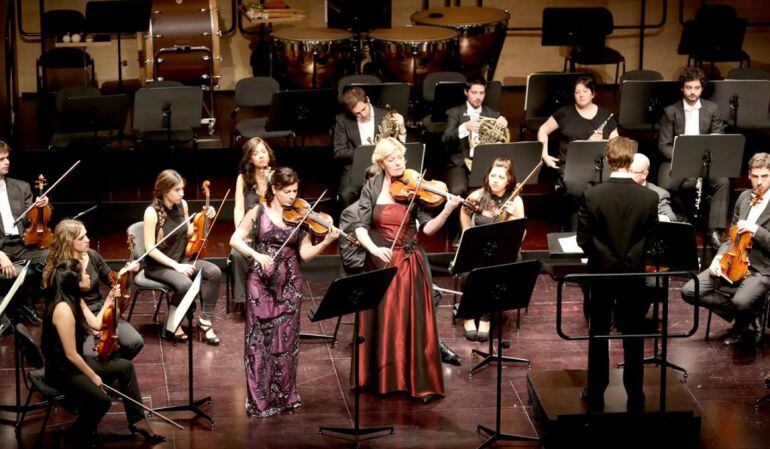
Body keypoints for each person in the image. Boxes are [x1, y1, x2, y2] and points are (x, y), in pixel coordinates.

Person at [353, 137, 462, 400]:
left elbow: (428, 229)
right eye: (392, 159)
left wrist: (447, 210)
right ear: (382, 163)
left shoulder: (415, 187)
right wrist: (373, 249)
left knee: (409, 321)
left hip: (408, 262)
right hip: (379, 261)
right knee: (383, 321)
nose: (399, 163)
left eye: (401, 157)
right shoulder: (372, 186)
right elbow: (360, 226)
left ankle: (412, 380)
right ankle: (381, 379)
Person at [230, 167, 340, 417]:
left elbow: (305, 254)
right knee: (259, 341)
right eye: (288, 191)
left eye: (295, 191)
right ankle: (259, 400)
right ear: (275, 189)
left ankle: (285, 396)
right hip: (260, 282)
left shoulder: (301, 215)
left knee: (286, 341)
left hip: (290, 283)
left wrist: (325, 241)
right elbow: (235, 239)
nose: (293, 196)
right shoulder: (258, 212)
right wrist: (257, 254)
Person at [42, 259, 163, 447]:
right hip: (62, 371)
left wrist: (109, 300)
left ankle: (137, 420)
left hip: (75, 363)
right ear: (75, 281)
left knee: (125, 367)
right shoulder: (63, 310)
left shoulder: (75, 298)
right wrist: (93, 376)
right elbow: (71, 354)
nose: (88, 275)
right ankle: (76, 436)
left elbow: (97, 324)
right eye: (84, 273)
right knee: (102, 400)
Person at [577, 136, 658, 411]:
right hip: (633, 275)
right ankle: (635, 392)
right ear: (631, 159)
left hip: (600, 274)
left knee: (598, 333)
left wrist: (602, 256)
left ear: (608, 160)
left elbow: (583, 239)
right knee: (634, 334)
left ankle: (596, 391)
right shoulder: (649, 197)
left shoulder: (592, 195)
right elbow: (652, 239)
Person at [681, 152, 770, 347]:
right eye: (755, 176)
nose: (759, 182)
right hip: (733, 261)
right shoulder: (744, 197)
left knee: (741, 301)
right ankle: (750, 313)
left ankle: (741, 322)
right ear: (749, 175)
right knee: (690, 291)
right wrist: (718, 258)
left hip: (761, 267)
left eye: (764, 176)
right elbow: (731, 237)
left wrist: (756, 230)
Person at [42, 219, 144, 361]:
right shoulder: (62, 269)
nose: (87, 240)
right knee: (90, 356)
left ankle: (112, 369)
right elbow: (61, 305)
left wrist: (126, 272)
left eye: (86, 235)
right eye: (81, 238)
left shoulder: (92, 255)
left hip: (101, 310)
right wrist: (91, 326)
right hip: (78, 317)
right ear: (68, 242)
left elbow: (111, 278)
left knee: (135, 342)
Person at [143, 169, 222, 345]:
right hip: (158, 265)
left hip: (182, 259)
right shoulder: (151, 213)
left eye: (182, 189)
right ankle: (173, 321)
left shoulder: (183, 205)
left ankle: (205, 320)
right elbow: (150, 249)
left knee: (214, 272)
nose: (182, 193)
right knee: (185, 284)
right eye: (177, 190)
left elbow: (188, 233)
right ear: (165, 191)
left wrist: (204, 218)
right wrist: (176, 266)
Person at [657, 66, 728, 249]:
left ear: (702, 88)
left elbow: (718, 139)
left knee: (723, 182)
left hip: (705, 161)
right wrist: (684, 160)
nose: (693, 92)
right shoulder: (670, 111)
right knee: (665, 185)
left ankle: (714, 230)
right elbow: (664, 145)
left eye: (697, 88)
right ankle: (677, 221)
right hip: (677, 159)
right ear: (682, 88)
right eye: (689, 87)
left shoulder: (712, 109)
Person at [538, 76, 619, 230]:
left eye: (585, 91)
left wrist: (600, 143)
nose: (581, 95)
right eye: (577, 92)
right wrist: (545, 155)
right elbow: (543, 130)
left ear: (593, 94)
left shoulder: (606, 116)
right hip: (571, 167)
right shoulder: (564, 113)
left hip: (600, 167)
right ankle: (577, 231)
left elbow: (617, 146)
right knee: (578, 190)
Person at [458, 157, 524, 341]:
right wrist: (466, 233)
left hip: (503, 250)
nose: (495, 180)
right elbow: (464, 211)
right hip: (478, 247)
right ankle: (468, 314)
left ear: (509, 180)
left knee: (495, 271)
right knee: (467, 272)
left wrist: (515, 215)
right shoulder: (477, 196)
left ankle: (486, 316)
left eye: (501, 177)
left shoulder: (515, 200)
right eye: (493, 176)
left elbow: (520, 236)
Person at [0, 140, 50, 324]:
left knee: (51, 257)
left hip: (21, 244)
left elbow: (32, 219)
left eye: (7, 158)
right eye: (1, 159)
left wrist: (42, 206)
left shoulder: (21, 187)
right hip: (0, 248)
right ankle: (15, 310)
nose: (7, 162)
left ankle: (25, 304)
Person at [334, 87, 407, 208]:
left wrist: (402, 129)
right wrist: (363, 153)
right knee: (345, 194)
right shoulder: (342, 120)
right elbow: (339, 152)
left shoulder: (385, 116)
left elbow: (398, 148)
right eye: (357, 113)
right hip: (356, 167)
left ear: (367, 99)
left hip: (384, 166)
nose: (363, 114)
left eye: (364, 109)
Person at [442, 76, 508, 198]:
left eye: (481, 93)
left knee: (485, 193)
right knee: (457, 191)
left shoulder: (493, 114)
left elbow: (501, 142)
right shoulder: (454, 113)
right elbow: (446, 137)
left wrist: (502, 126)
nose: (478, 97)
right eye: (474, 92)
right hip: (459, 163)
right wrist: (464, 127)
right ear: (466, 92)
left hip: (484, 164)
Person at [231, 137, 277, 308]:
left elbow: (276, 207)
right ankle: (245, 301)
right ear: (250, 158)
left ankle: (270, 296)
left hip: (270, 230)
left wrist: (269, 182)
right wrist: (240, 232)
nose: (261, 156)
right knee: (237, 254)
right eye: (256, 153)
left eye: (264, 152)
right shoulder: (243, 179)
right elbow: (238, 208)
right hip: (249, 230)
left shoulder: (276, 177)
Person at [630, 153, 678, 223]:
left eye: (631, 172)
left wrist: (647, 217)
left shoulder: (659, 194)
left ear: (644, 174)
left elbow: (671, 219)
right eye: (626, 171)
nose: (626, 175)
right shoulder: (620, 187)